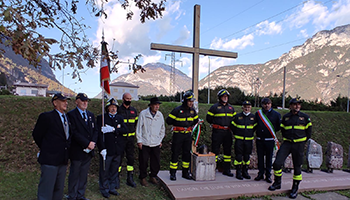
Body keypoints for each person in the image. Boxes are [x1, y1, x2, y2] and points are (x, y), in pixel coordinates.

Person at [268, 98, 312, 199]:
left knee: (297, 167)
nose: (297, 106)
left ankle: (295, 188)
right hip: (287, 144)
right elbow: (283, 129)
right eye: (295, 104)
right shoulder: (286, 117)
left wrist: (302, 142)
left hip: (299, 145)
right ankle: (277, 183)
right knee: (277, 163)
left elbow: (308, 132)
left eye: (298, 104)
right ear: (290, 106)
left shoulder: (305, 117)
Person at [32, 93, 71, 200]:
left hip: (62, 159)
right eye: (63, 101)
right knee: (46, 189)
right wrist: (46, 148)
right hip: (50, 159)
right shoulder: (46, 117)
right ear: (55, 103)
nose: (66, 103)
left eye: (66, 101)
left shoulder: (66, 117)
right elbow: (37, 135)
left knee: (59, 189)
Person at [66, 93, 98, 200]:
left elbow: (95, 130)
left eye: (86, 101)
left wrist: (93, 142)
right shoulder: (71, 115)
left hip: (89, 150)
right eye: (83, 100)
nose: (85, 103)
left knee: (84, 174)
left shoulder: (90, 115)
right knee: (75, 174)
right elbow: (73, 132)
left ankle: (80, 195)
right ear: (76, 101)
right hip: (77, 149)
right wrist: (86, 143)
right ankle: (72, 195)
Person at [96, 98, 128, 198]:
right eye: (111, 107)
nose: (113, 109)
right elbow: (98, 135)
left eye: (115, 107)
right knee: (105, 170)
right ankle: (104, 188)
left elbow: (125, 130)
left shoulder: (120, 118)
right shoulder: (101, 118)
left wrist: (114, 130)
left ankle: (111, 187)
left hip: (117, 149)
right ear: (107, 108)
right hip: (107, 149)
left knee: (114, 170)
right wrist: (101, 148)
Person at [166, 91, 199, 181]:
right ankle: (173, 173)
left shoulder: (193, 111)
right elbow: (168, 121)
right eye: (189, 101)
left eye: (192, 101)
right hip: (178, 135)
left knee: (186, 154)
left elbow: (196, 121)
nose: (191, 103)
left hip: (187, 135)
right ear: (184, 101)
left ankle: (185, 173)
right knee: (175, 153)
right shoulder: (177, 110)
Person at [136, 97, 165, 187]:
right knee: (143, 161)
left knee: (155, 161)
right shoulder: (143, 114)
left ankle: (153, 176)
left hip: (156, 143)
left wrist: (160, 140)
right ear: (151, 105)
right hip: (145, 142)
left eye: (158, 105)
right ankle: (143, 177)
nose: (157, 106)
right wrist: (139, 140)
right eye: (155, 105)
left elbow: (162, 129)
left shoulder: (160, 115)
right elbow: (139, 128)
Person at [206, 89, 236, 177]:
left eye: (227, 96)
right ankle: (212, 169)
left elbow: (234, 120)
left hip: (228, 132)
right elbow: (209, 118)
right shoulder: (214, 107)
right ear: (220, 97)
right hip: (217, 132)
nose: (225, 98)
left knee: (227, 151)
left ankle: (227, 170)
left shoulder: (231, 108)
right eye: (224, 96)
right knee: (215, 150)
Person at [254, 97, 281, 183]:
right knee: (260, 157)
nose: (266, 105)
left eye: (268, 104)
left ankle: (268, 175)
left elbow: (278, 126)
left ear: (271, 104)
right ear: (262, 105)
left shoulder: (276, 114)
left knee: (269, 158)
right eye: (265, 104)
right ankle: (260, 173)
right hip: (260, 139)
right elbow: (255, 124)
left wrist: (270, 132)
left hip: (269, 139)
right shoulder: (258, 114)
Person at [231, 101, 257, 180]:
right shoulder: (237, 116)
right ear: (242, 107)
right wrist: (237, 134)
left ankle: (245, 172)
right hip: (239, 140)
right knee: (238, 157)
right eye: (245, 107)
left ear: (251, 108)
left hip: (248, 141)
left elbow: (255, 128)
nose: (247, 108)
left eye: (248, 107)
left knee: (246, 157)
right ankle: (238, 173)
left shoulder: (253, 118)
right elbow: (233, 126)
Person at [117, 93, 138, 188]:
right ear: (123, 99)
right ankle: (116, 178)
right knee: (119, 159)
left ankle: (130, 178)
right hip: (121, 139)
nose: (129, 100)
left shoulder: (134, 111)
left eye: (130, 98)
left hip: (130, 139)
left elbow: (136, 124)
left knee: (130, 159)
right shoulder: (118, 110)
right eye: (127, 98)